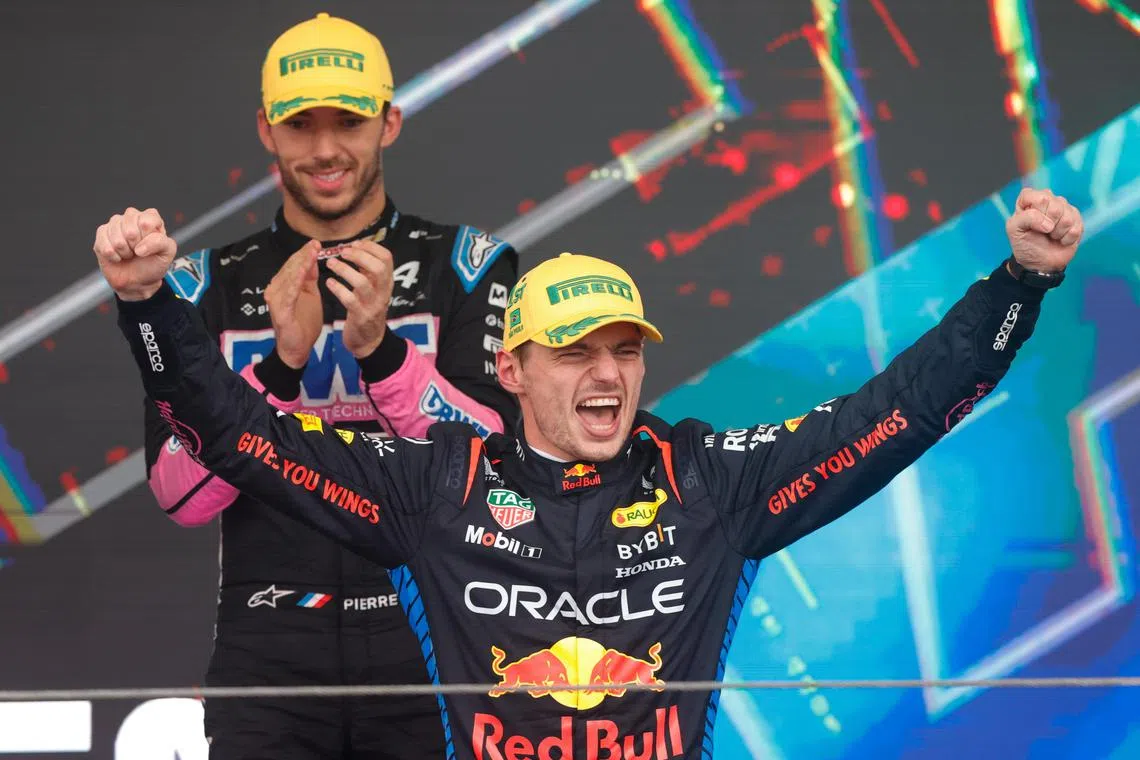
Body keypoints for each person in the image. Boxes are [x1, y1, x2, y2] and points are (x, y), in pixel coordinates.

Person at [95, 188, 1080, 759]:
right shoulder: (439, 482)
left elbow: (898, 411)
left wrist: (1021, 286)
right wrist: (146, 306)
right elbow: (238, 436)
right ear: (513, 370)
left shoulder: (709, 477)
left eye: (624, 349)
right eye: (575, 352)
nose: (607, 374)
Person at [130, 12, 518, 759]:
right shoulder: (199, 284)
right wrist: (279, 365)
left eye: (349, 120)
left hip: (434, 634)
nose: (327, 148)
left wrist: (382, 358)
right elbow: (180, 496)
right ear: (266, 131)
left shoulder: (468, 265)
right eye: (301, 124)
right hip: (269, 650)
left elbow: (498, 470)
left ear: (391, 121)